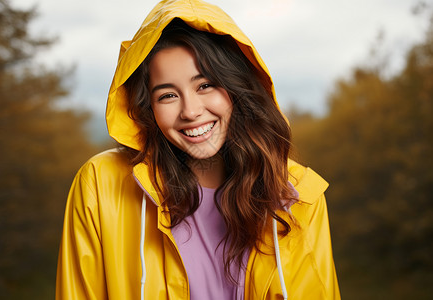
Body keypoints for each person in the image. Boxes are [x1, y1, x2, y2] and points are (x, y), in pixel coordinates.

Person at [56, 0, 340, 299]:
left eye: (204, 85)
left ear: (236, 87)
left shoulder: (297, 196)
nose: (190, 111)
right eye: (167, 95)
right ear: (147, 108)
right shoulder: (101, 184)